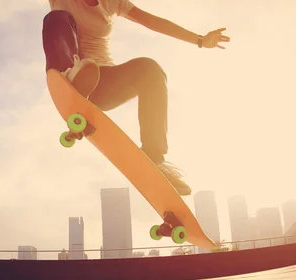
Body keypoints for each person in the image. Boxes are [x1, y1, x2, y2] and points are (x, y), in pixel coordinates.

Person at [42, 0, 230, 195]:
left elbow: (152, 22)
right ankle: (69, 75)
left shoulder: (112, 2)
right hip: (72, 73)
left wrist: (199, 40)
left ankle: (155, 158)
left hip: (103, 83)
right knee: (56, 18)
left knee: (150, 70)